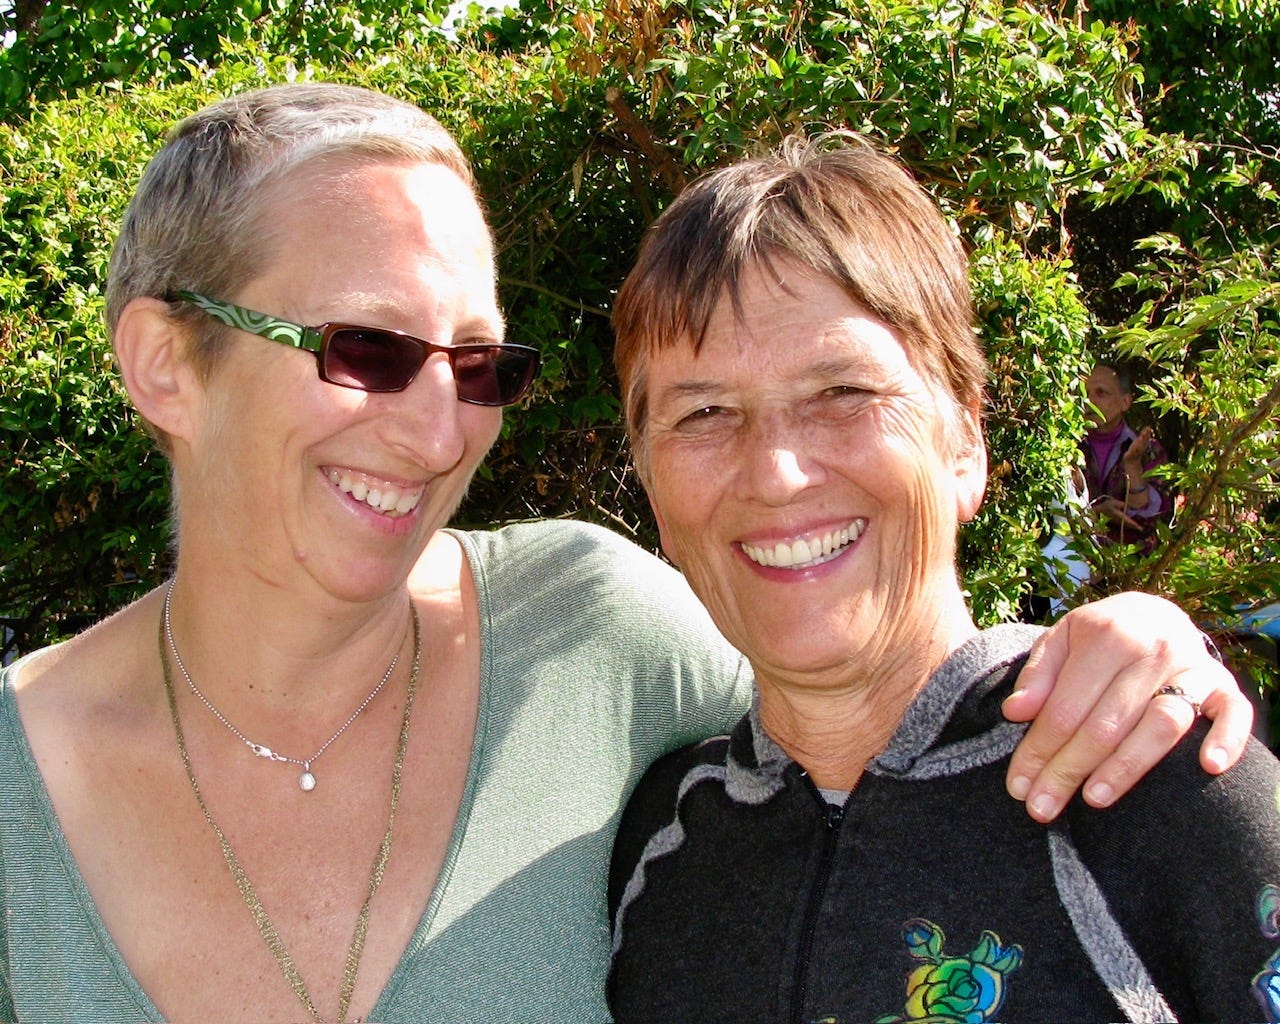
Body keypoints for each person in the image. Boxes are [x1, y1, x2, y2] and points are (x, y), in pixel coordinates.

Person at [0, 85, 1251, 1024]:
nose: (439, 429)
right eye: (367, 347)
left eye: (478, 365)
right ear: (166, 361)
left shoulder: (590, 633)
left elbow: (875, 692)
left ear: (968, 437)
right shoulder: (677, 842)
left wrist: (1134, 640)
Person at [607, 135, 1280, 1022]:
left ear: (965, 442)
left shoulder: (1157, 785)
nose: (774, 473)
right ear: (652, 483)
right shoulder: (654, 846)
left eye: (842, 393)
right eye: (703, 412)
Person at [1082, 362, 1173, 548]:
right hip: (1073, 564)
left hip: (1130, 568)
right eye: (1085, 393)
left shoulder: (1148, 451)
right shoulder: (1067, 449)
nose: (1089, 401)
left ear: (1125, 402)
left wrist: (1132, 467)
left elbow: (1152, 519)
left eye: (1101, 393)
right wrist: (1096, 513)